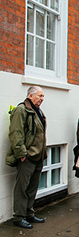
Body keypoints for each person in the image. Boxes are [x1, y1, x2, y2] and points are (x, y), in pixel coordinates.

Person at [6, 86, 47, 229]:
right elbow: (16, 133)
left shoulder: (38, 111)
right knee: (22, 188)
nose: (42, 99)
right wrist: (22, 154)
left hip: (38, 156)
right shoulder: (21, 110)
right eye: (39, 96)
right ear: (30, 96)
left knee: (32, 187)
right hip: (28, 156)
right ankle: (19, 216)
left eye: (43, 96)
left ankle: (29, 213)